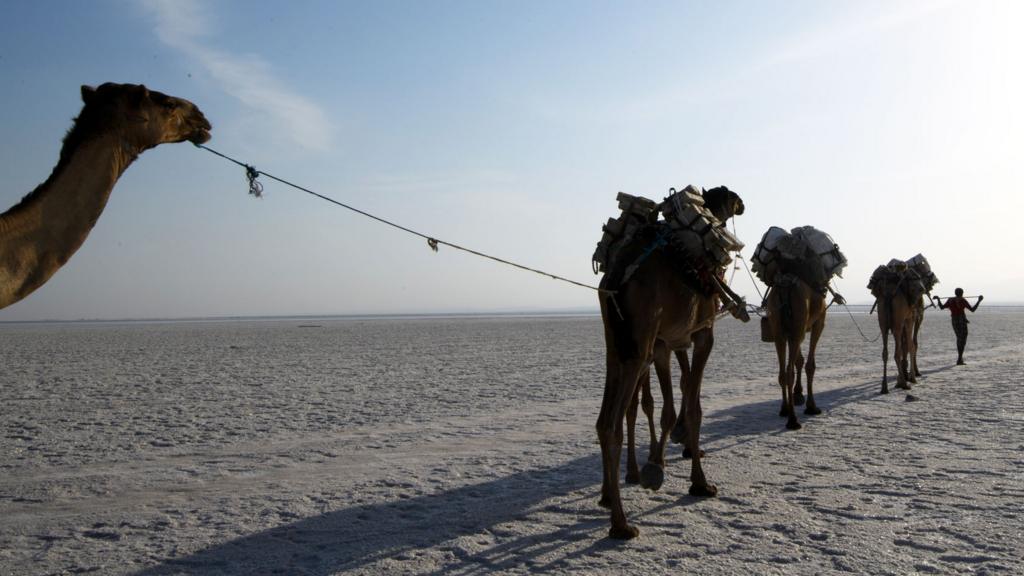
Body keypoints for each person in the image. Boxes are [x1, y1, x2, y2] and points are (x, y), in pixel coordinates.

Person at [934, 288, 983, 365]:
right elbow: (973, 310)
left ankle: (960, 358)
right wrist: (979, 301)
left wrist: (938, 299)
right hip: (961, 320)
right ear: (962, 293)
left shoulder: (950, 300)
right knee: (962, 339)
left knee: (959, 338)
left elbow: (942, 307)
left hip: (954, 320)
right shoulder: (962, 300)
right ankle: (960, 359)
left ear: (955, 293)